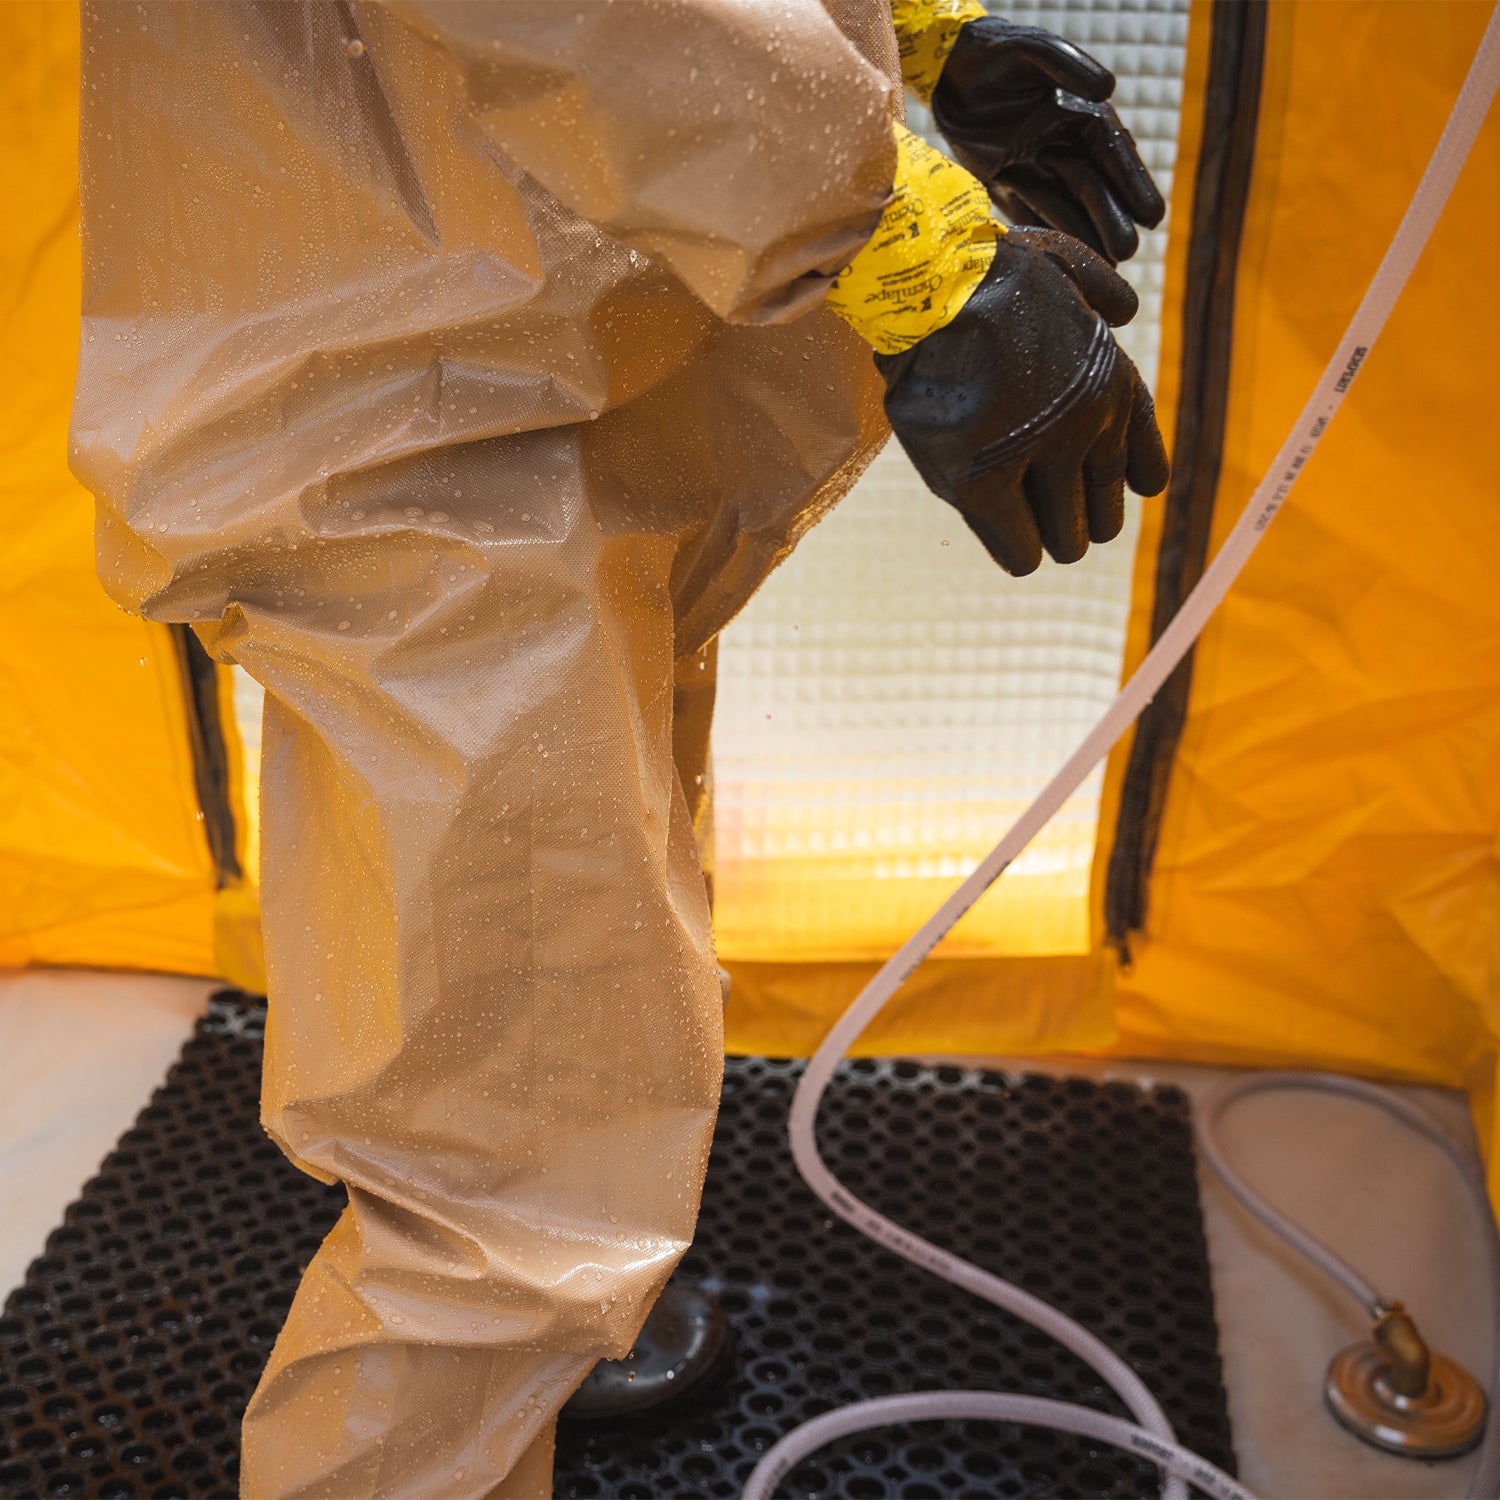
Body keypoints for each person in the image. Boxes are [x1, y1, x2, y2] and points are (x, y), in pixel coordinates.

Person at [70, 2, 1166, 1494]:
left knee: (578, 970)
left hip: (527, 355)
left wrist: (905, 30)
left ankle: (544, 1328)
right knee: (507, 1173)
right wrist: (886, 223)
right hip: (425, 431)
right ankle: (470, 1375)